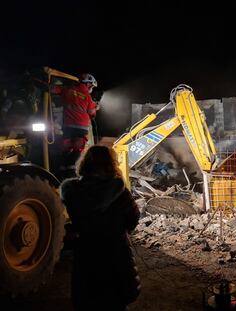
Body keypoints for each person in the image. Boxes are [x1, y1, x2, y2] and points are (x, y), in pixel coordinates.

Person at [60, 145, 141, 310]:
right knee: (115, 299)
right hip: (115, 253)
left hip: (85, 252)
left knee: (87, 299)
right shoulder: (119, 191)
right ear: (111, 163)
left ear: (84, 164)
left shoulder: (71, 191)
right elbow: (133, 218)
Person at [53, 73, 99, 179]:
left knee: (66, 148)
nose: (91, 88)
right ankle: (72, 172)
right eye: (91, 86)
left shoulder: (67, 90)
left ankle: (61, 172)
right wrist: (96, 107)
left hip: (68, 126)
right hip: (81, 128)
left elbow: (53, 89)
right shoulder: (87, 96)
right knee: (77, 150)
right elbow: (92, 113)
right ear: (87, 85)